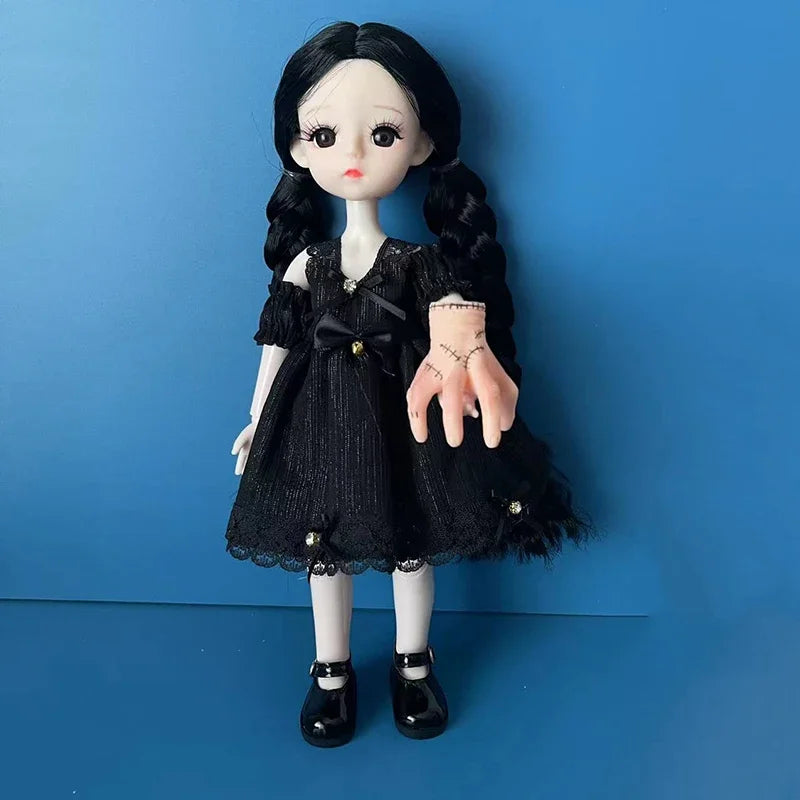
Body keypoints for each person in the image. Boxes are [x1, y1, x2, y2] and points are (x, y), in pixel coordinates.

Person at [224, 20, 597, 747]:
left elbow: (457, 327)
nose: (354, 156)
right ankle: (331, 670)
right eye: (325, 135)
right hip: (320, 423)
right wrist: (257, 417)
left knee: (410, 544)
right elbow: (277, 343)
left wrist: (467, 339)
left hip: (405, 426)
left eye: (384, 134)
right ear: (299, 148)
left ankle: (413, 664)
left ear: (421, 145)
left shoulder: (419, 263)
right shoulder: (306, 266)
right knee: (323, 548)